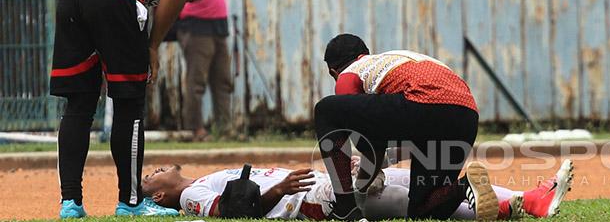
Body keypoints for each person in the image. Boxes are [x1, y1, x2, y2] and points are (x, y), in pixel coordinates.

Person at [50, 0, 219, 218]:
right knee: (129, 104)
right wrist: (152, 46)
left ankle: (70, 204)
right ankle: (130, 203)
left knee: (79, 106)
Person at [314, 34, 496, 221]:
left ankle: (345, 209)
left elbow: (370, 147)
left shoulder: (349, 74)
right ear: (366, 53)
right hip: (466, 113)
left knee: (326, 110)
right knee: (423, 211)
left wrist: (359, 193)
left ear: (333, 72)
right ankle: (465, 186)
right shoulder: (390, 60)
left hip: (423, 102)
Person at [140, 157, 574, 220]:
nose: (153, 171)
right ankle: (513, 205)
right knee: (415, 200)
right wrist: (281, 190)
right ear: (159, 195)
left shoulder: (195, 182)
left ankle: (525, 199)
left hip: (322, 185)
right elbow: (238, 212)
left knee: (411, 179)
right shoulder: (190, 196)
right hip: (317, 201)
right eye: (148, 179)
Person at [176, 0, 242, 141]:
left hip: (217, 27)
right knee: (197, 82)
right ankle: (196, 129)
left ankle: (224, 128)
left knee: (222, 81)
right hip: (196, 27)